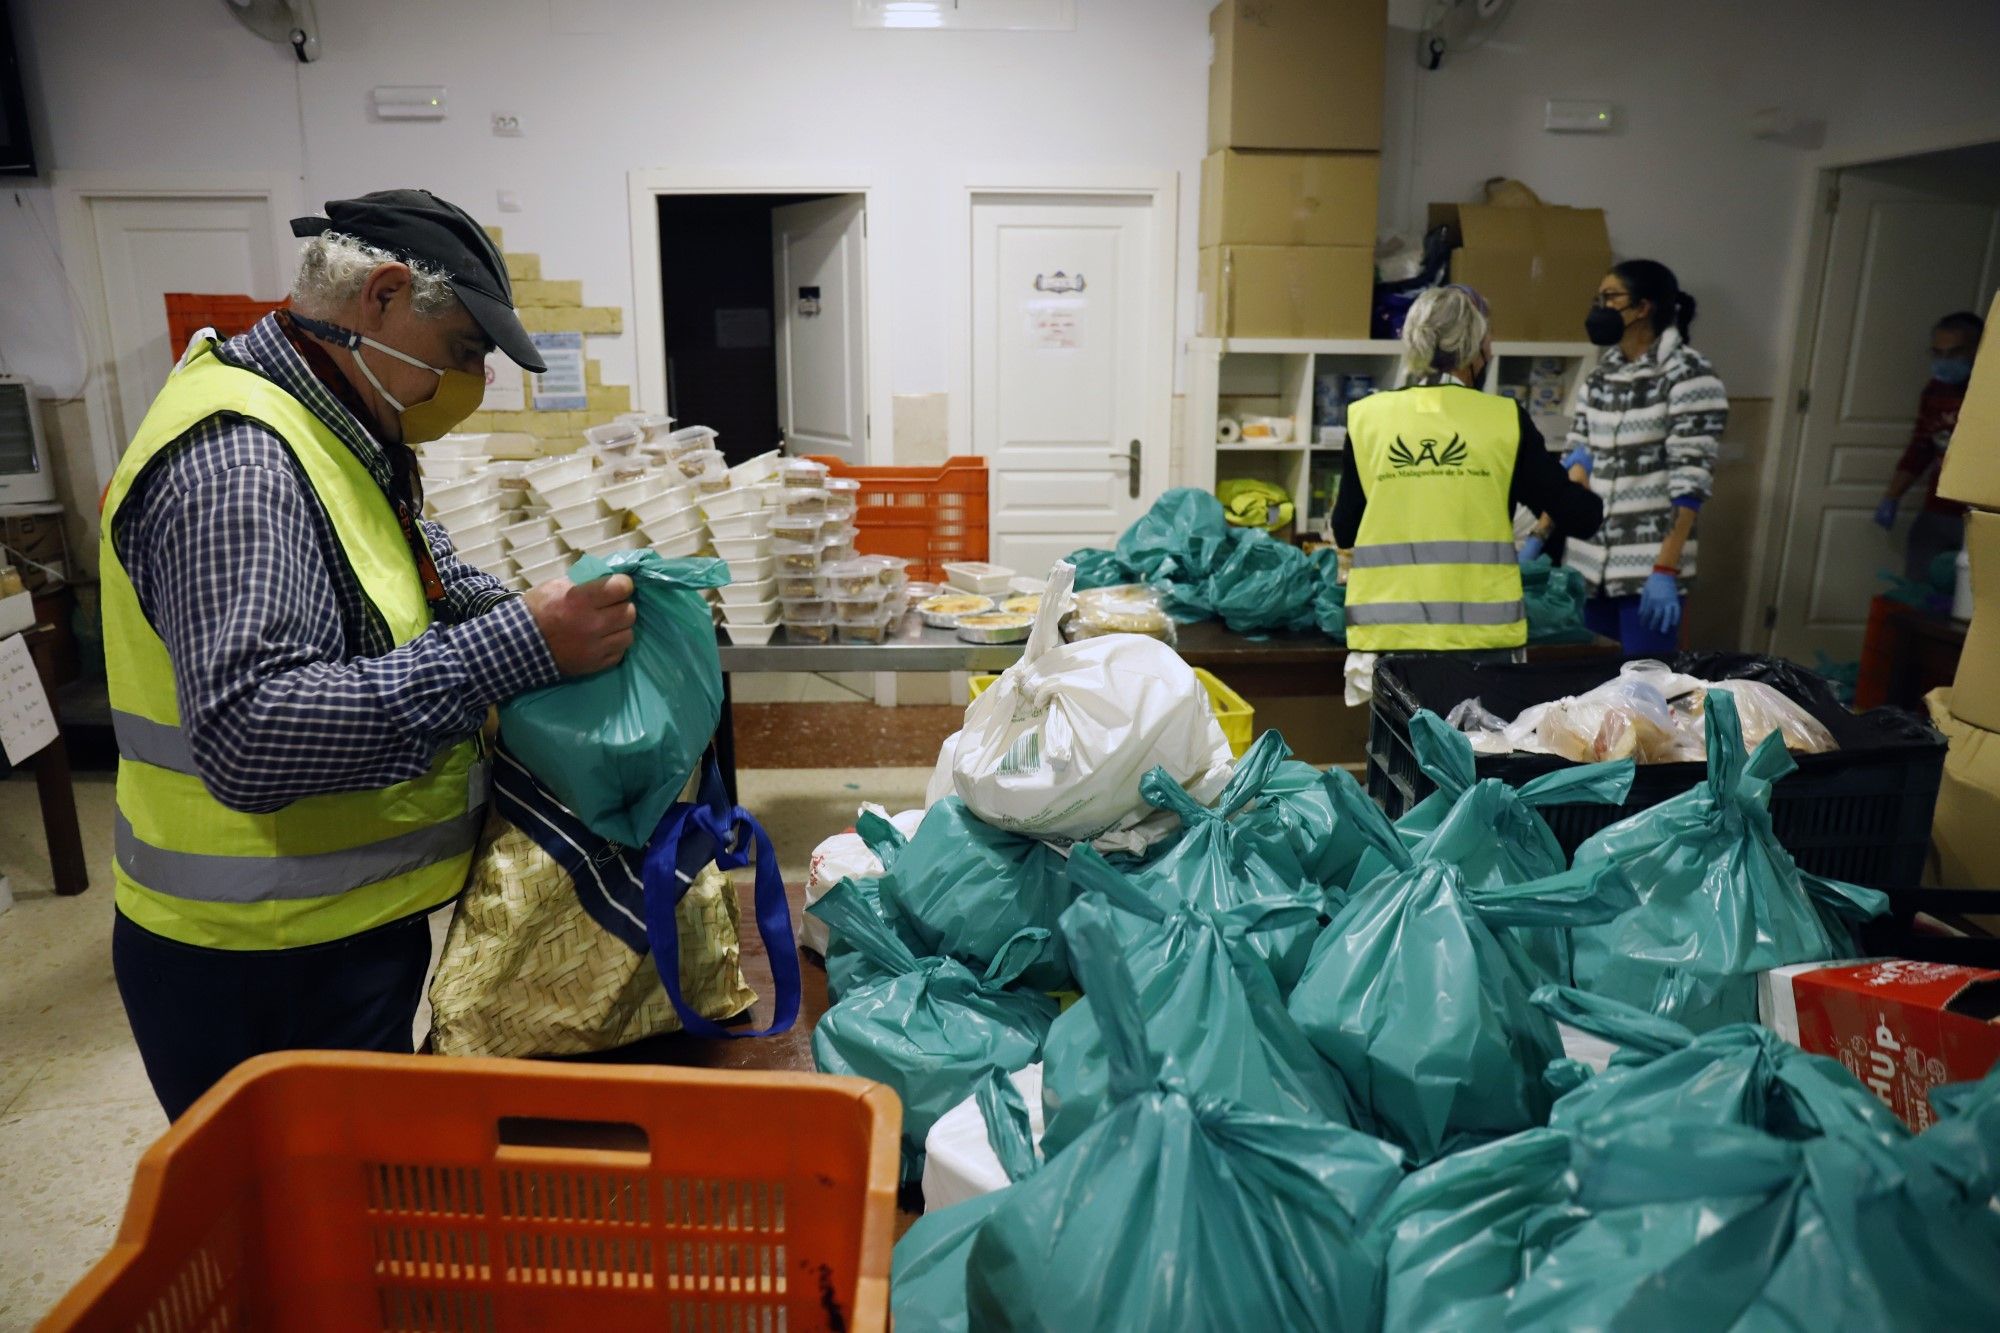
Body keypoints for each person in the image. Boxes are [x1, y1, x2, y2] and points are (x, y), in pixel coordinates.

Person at [102, 189, 639, 1120]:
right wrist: (520, 644)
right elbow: (253, 734)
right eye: (464, 352)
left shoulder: (342, 427)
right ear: (382, 297)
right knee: (306, 1238)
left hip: (337, 935)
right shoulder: (242, 465)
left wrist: (565, 615)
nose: (470, 384)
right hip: (255, 962)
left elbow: (421, 579)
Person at [1335, 284, 1603, 654]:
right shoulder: (1503, 420)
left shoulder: (1367, 418)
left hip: (1388, 638)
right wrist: (1577, 480)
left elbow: (1345, 529)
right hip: (1482, 641)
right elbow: (1580, 517)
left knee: (1398, 716)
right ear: (1478, 346)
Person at [1562, 259, 1728, 655]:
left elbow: (1690, 483)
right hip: (1588, 565)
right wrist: (1541, 533)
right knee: (1589, 695)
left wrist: (1664, 570)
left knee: (1644, 692)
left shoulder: (1689, 375)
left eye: (1610, 297)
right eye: (1597, 298)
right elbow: (1579, 454)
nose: (1600, 307)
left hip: (1647, 568)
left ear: (1643, 307)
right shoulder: (1602, 376)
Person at [1875, 309, 1984, 583]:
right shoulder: (1936, 391)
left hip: (1982, 516)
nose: (1944, 362)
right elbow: (1921, 446)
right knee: (1919, 589)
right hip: (1937, 509)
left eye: (1954, 353)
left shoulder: (1990, 393)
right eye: (1938, 353)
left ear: (1979, 350)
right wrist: (1892, 496)